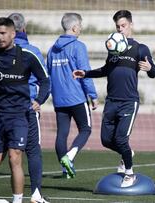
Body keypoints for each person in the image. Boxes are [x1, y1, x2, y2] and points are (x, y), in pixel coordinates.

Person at [73, 10, 155, 187]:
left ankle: (129, 173)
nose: (120, 30)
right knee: (106, 140)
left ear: (131, 25)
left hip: (129, 102)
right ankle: (128, 153)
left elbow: (154, 73)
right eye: (118, 27)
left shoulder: (140, 48)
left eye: (124, 26)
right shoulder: (113, 48)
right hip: (111, 101)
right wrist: (86, 73)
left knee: (120, 139)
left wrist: (150, 68)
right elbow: (105, 70)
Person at [0, 13, 50, 203]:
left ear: (13, 34)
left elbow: (45, 80)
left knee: (15, 157)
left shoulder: (27, 56)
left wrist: (39, 100)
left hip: (20, 115)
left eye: (3, 33)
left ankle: (17, 200)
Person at [47, 13, 98, 179]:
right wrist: (93, 95)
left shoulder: (52, 49)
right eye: (80, 26)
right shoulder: (78, 46)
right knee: (86, 129)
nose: (81, 29)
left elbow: (48, 74)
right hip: (77, 97)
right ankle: (69, 157)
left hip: (59, 99)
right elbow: (84, 72)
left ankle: (65, 169)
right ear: (75, 27)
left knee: (62, 133)